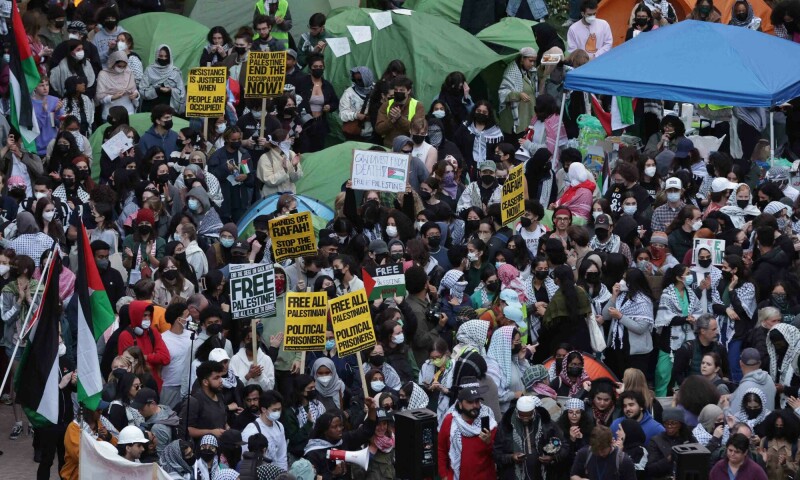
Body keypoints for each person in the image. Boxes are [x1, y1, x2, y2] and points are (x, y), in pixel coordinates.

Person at [437, 376, 498, 480]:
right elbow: (441, 449)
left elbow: (498, 454)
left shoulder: (488, 420)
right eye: (470, 402)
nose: (475, 405)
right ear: (460, 404)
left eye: (477, 401)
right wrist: (444, 475)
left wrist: (489, 443)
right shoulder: (450, 421)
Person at [303, 397, 377, 480]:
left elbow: (366, 432)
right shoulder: (313, 453)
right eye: (334, 427)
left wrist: (372, 410)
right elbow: (311, 477)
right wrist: (332, 474)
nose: (339, 429)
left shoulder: (344, 439)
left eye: (340, 425)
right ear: (324, 430)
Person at [497, 395, 567, 480]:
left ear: (534, 411)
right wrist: (511, 457)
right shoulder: (506, 426)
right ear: (517, 411)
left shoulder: (547, 424)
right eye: (522, 416)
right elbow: (496, 453)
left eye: (529, 416)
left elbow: (564, 446)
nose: (526, 419)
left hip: (542, 475)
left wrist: (552, 458)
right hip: (513, 475)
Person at [116, 300, 171, 390]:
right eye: (144, 315)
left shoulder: (153, 332)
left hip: (154, 384)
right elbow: (127, 364)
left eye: (149, 315)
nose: (147, 319)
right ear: (136, 315)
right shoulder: (125, 336)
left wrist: (144, 357)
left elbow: (165, 358)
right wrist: (154, 357)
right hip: (135, 386)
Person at [182, 360, 228, 444]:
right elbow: (186, 429)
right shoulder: (194, 401)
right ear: (205, 382)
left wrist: (227, 430)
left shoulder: (219, 395)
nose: (221, 380)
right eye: (216, 378)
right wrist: (211, 432)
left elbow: (221, 419)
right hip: (202, 449)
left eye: (221, 377)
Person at [241, 390, 288, 470]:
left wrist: (283, 475)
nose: (278, 412)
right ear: (263, 409)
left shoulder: (279, 426)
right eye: (274, 410)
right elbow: (246, 459)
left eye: (279, 409)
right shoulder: (251, 431)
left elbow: (282, 456)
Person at [569, 425, 637, 480]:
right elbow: (573, 475)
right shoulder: (584, 454)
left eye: (603, 450)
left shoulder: (623, 461)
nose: (600, 453)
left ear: (612, 443)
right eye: (596, 450)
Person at [498, 47, 537, 139]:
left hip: (527, 116)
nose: (532, 64)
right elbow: (502, 93)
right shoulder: (512, 72)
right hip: (514, 120)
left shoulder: (530, 72)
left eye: (534, 61)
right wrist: (518, 95)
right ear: (522, 59)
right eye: (530, 61)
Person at [645, 407, 696, 478]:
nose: (669, 426)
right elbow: (650, 469)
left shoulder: (689, 439)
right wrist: (669, 459)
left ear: (680, 424)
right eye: (666, 423)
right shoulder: (656, 441)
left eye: (673, 423)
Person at [141, 45, 186, 113]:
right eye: (161, 56)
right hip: (151, 107)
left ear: (169, 57)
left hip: (168, 108)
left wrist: (170, 90)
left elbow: (181, 92)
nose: (163, 58)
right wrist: (157, 89)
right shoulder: (149, 70)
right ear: (157, 56)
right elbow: (142, 90)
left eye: (166, 56)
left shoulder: (175, 72)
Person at [95, 50, 140, 118]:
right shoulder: (103, 74)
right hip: (110, 114)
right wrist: (112, 97)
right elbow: (100, 97)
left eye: (124, 66)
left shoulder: (128, 72)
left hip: (128, 112)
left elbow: (134, 89)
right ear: (112, 63)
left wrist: (135, 95)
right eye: (119, 66)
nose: (121, 68)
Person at [339, 66, 376, 142]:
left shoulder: (377, 90)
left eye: (359, 80)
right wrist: (355, 115)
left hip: (373, 134)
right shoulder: (349, 93)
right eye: (355, 80)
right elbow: (342, 114)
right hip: (355, 134)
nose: (357, 82)